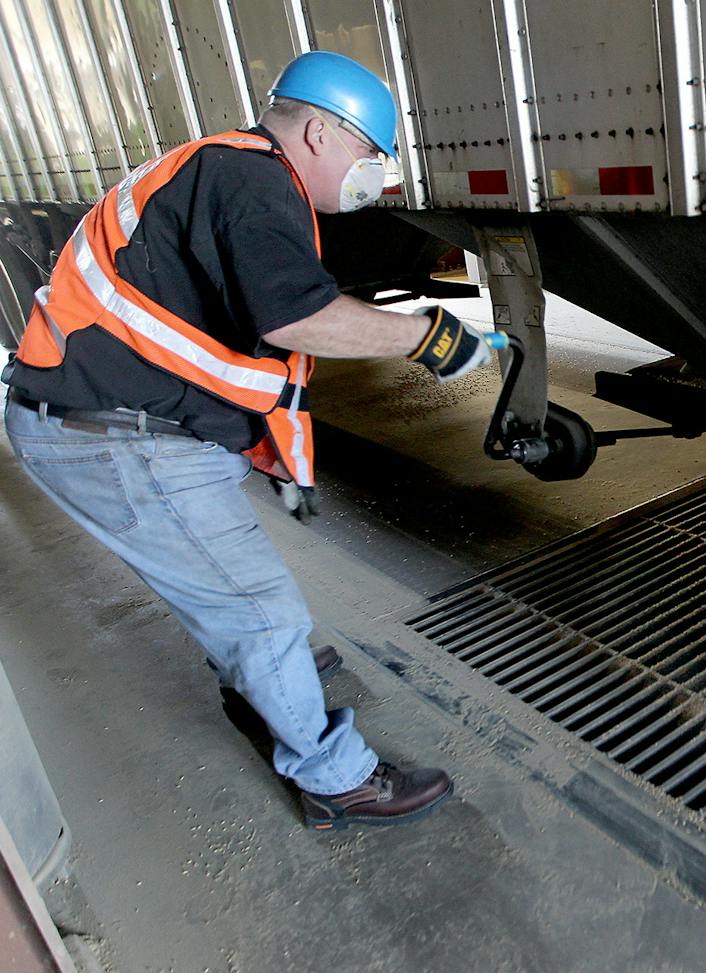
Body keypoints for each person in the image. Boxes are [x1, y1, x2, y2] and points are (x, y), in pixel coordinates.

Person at [1, 51, 496, 831]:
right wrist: (429, 337)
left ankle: (264, 679)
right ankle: (335, 778)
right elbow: (294, 317)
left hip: (107, 417)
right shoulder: (258, 182)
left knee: (234, 585)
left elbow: (229, 336)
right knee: (260, 611)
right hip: (113, 434)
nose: (376, 175)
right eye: (370, 155)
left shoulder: (230, 167)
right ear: (322, 133)